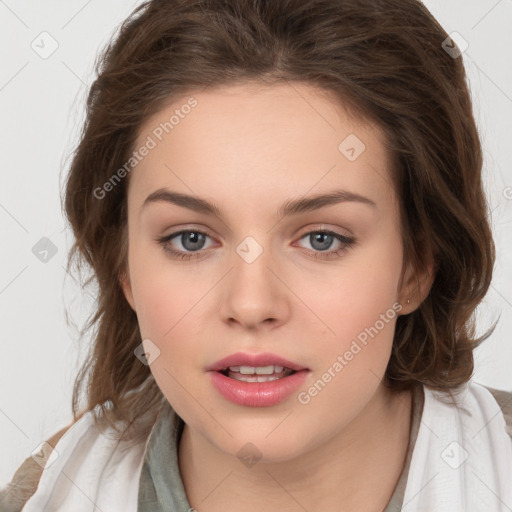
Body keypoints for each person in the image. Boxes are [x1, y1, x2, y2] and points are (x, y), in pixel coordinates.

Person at [1, 0, 511, 511]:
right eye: (190, 239)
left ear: (417, 267)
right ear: (124, 267)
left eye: (321, 239)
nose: (250, 304)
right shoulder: (43, 495)